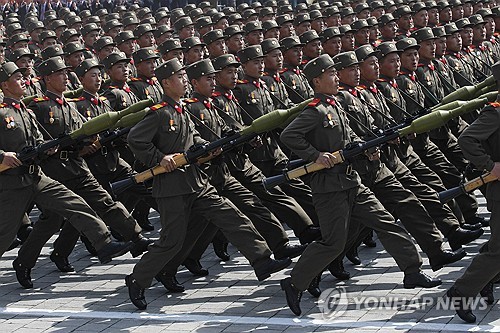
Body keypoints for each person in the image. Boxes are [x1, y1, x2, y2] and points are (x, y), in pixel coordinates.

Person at [279, 54, 441, 317]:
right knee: (333, 242)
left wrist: (364, 148)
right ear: (317, 81)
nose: (335, 78)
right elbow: (289, 135)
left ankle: (412, 270)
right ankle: (295, 281)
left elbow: (348, 134)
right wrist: (315, 155)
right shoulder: (315, 111)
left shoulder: (335, 105)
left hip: (352, 180)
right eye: (331, 74)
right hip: (329, 188)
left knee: (386, 222)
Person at [124, 58, 292, 310]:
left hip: (197, 181)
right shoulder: (159, 113)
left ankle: (262, 260)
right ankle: (138, 278)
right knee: (172, 240)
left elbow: (193, 138)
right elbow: (135, 140)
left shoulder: (181, 110)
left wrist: (206, 147)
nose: (184, 81)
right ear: (167, 83)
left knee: (232, 216)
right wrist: (160, 158)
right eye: (180, 77)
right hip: (172, 187)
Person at [0, 61, 132, 284]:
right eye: (17, 78)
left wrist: (48, 148)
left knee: (75, 203)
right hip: (12, 183)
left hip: (36, 176)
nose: (23, 81)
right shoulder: (3, 113)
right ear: (4, 85)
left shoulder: (25, 112)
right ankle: (22, 262)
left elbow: (37, 141)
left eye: (23, 77)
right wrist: (2, 156)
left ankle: (104, 243)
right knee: (4, 235)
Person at [447, 62, 500, 323]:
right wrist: (490, 165)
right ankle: (461, 291)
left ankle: (488, 279)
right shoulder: (495, 113)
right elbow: (466, 139)